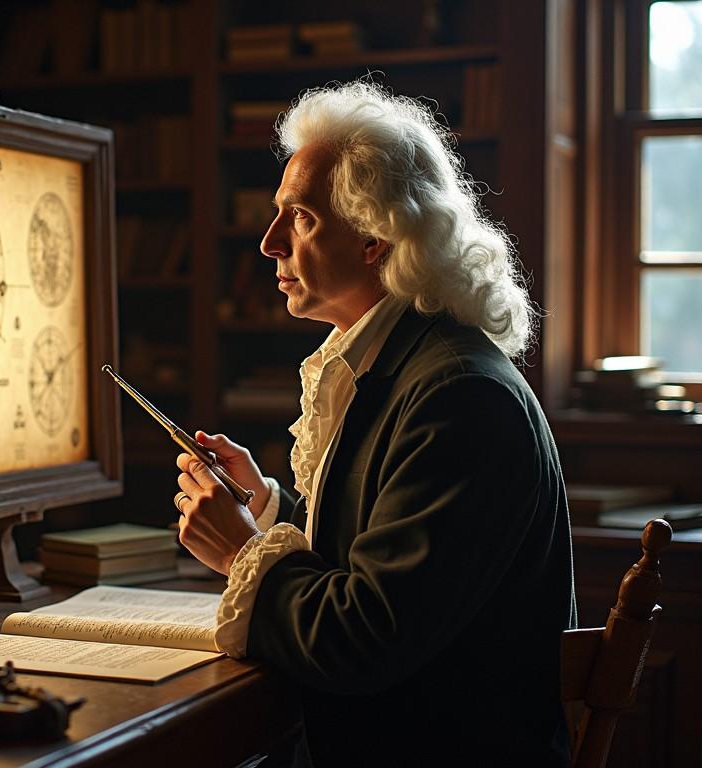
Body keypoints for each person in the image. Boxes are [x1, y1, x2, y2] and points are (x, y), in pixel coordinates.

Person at [172, 80, 576, 767]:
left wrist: (245, 554)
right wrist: (267, 508)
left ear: (373, 237)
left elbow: (364, 639)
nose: (268, 243)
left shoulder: (459, 395)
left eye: (298, 218)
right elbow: (371, 556)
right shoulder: (407, 363)